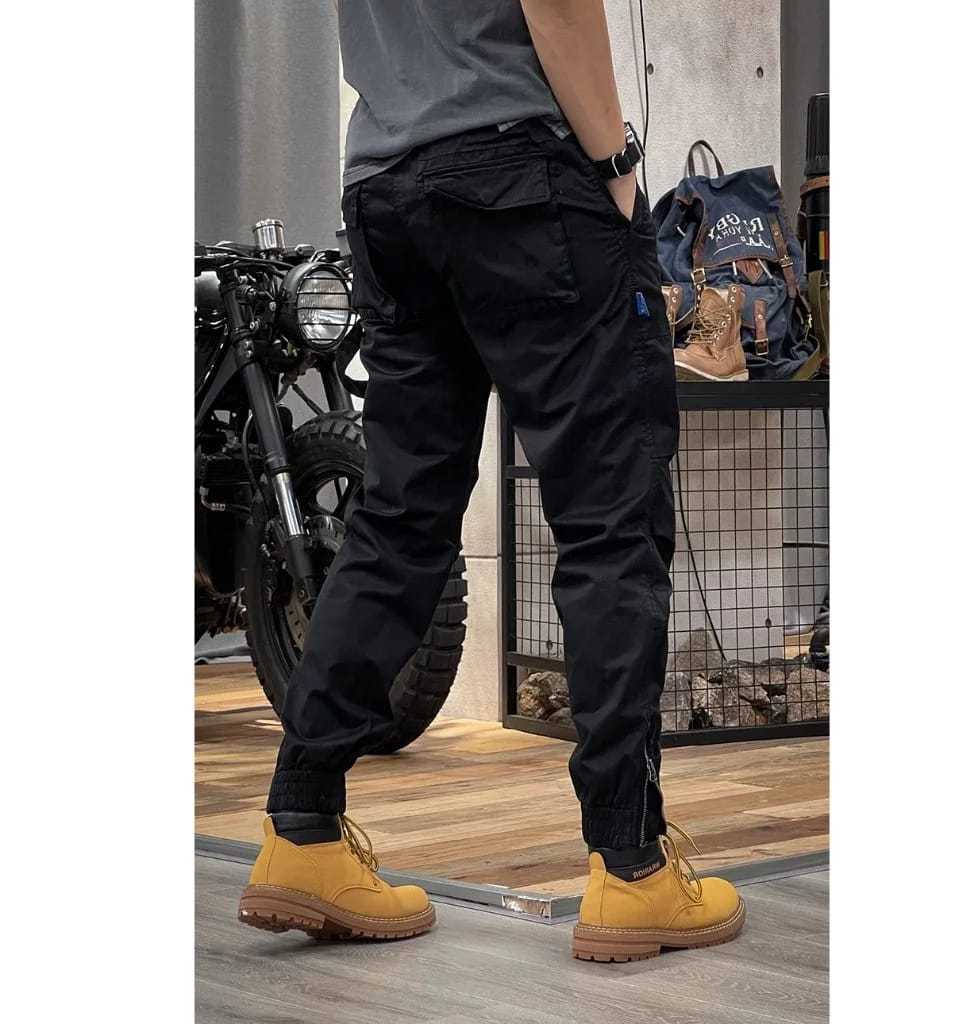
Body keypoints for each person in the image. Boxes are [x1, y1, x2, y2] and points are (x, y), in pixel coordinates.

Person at [238, 0, 745, 962]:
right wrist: (616, 166)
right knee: (609, 516)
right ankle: (631, 868)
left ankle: (301, 827)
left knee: (398, 520)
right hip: (521, 173)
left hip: (386, 183)